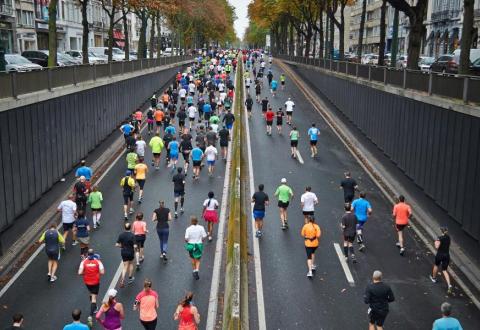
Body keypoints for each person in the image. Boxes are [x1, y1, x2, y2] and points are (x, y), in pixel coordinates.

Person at [78, 249, 105, 322]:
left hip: (87, 282)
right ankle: (90, 315)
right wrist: (96, 272)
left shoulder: (83, 262)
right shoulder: (98, 261)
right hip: (95, 282)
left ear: (87, 254)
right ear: (93, 254)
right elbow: (102, 272)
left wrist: (86, 273)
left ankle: (95, 307)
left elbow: (79, 272)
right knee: (94, 299)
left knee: (91, 293)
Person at [430, 227, 453, 294]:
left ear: (441, 231)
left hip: (440, 255)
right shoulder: (449, 238)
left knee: (436, 265)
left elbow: (436, 247)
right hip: (447, 255)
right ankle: (449, 285)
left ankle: (434, 278)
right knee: (444, 270)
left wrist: (435, 242)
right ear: (447, 231)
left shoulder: (439, 238)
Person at [116, 222, 136, 287]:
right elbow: (135, 246)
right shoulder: (132, 235)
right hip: (130, 252)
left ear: (125, 227)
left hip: (123, 252)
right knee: (130, 264)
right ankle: (130, 278)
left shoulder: (121, 235)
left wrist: (121, 247)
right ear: (130, 227)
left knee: (125, 266)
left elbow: (116, 244)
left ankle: (122, 279)